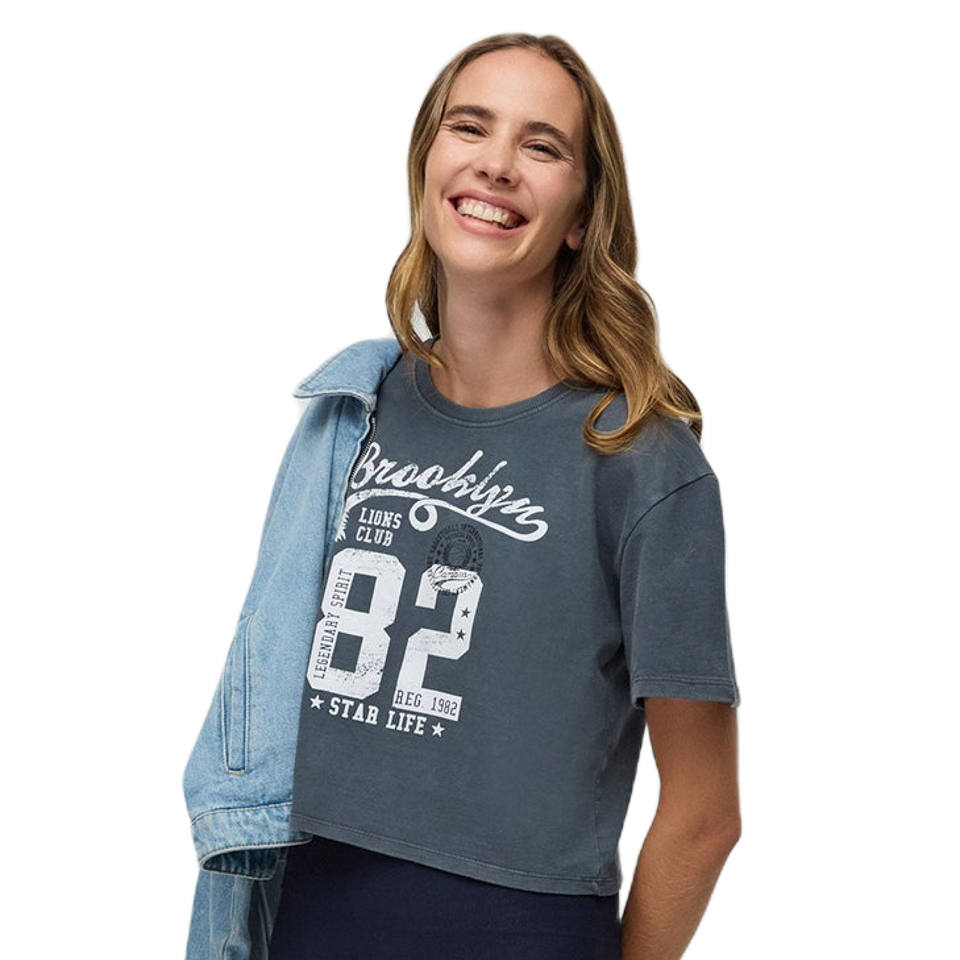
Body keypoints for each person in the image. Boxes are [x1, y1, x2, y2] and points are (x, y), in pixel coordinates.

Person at [258, 32, 741, 960]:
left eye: (542, 145)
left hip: (519, 928)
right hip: (309, 911)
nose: (496, 163)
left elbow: (705, 813)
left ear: (580, 217)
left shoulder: (640, 458)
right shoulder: (349, 414)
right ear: (427, 165)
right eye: (470, 126)